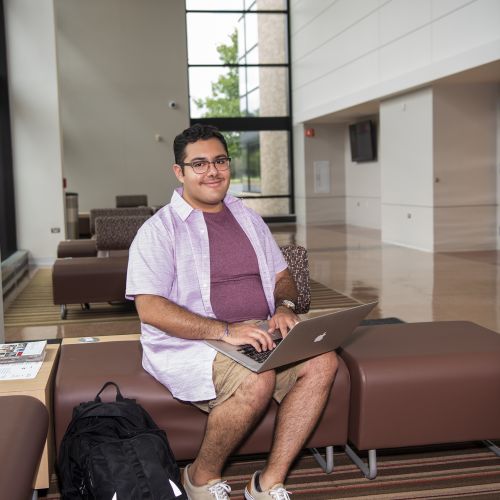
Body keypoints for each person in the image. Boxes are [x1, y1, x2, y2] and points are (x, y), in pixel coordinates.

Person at [126, 124, 338, 500]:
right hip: (195, 342)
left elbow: (282, 275)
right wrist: (224, 331)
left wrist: (285, 307)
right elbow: (151, 308)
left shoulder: (248, 217)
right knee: (255, 378)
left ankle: (269, 481)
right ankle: (200, 477)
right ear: (180, 172)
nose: (213, 171)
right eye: (200, 164)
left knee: (324, 359)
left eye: (220, 160)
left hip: (258, 332)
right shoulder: (159, 230)